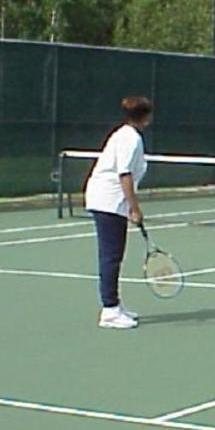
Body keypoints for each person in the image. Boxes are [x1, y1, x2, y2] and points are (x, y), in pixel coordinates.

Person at [85, 96, 152, 328]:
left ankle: (115, 305)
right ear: (147, 117)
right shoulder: (130, 139)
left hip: (110, 201)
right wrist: (135, 208)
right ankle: (110, 310)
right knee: (111, 256)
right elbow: (124, 175)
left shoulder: (125, 134)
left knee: (114, 255)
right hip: (108, 201)